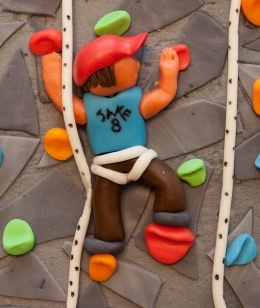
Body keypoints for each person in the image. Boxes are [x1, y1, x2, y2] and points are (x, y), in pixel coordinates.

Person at [41, 32, 193, 258]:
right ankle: (108, 238)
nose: (137, 62)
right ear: (106, 72)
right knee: (104, 202)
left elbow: (163, 94)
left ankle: (168, 217)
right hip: (107, 165)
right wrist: (53, 75)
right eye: (130, 58)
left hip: (137, 157)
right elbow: (66, 104)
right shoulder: (89, 108)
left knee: (168, 182)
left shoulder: (133, 100)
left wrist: (169, 73)